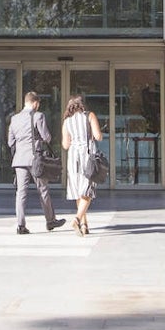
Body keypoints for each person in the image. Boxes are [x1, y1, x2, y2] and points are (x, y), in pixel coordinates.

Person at [8, 91, 65, 234]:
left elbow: (10, 142)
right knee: (43, 190)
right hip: (35, 160)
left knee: (21, 193)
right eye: (38, 104)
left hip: (19, 160)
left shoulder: (14, 119)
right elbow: (46, 137)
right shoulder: (38, 116)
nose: (38, 106)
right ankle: (50, 220)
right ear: (35, 103)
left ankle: (20, 225)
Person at [61, 94, 103, 236]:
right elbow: (98, 136)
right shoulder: (89, 116)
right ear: (83, 104)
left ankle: (84, 225)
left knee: (78, 191)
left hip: (73, 158)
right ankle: (77, 219)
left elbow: (65, 145)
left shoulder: (67, 121)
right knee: (87, 190)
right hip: (87, 156)